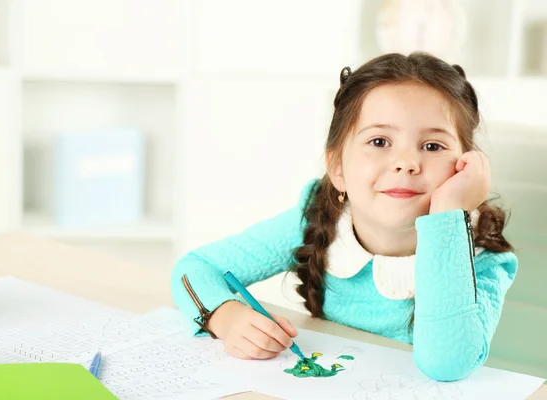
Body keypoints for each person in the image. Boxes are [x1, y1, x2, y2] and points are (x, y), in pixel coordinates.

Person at [169, 52, 517, 382]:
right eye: (380, 141)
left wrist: (448, 216)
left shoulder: (484, 258)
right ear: (337, 167)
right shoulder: (317, 218)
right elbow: (195, 267)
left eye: (432, 146)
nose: (407, 162)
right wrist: (225, 317)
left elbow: (447, 364)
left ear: (466, 168)